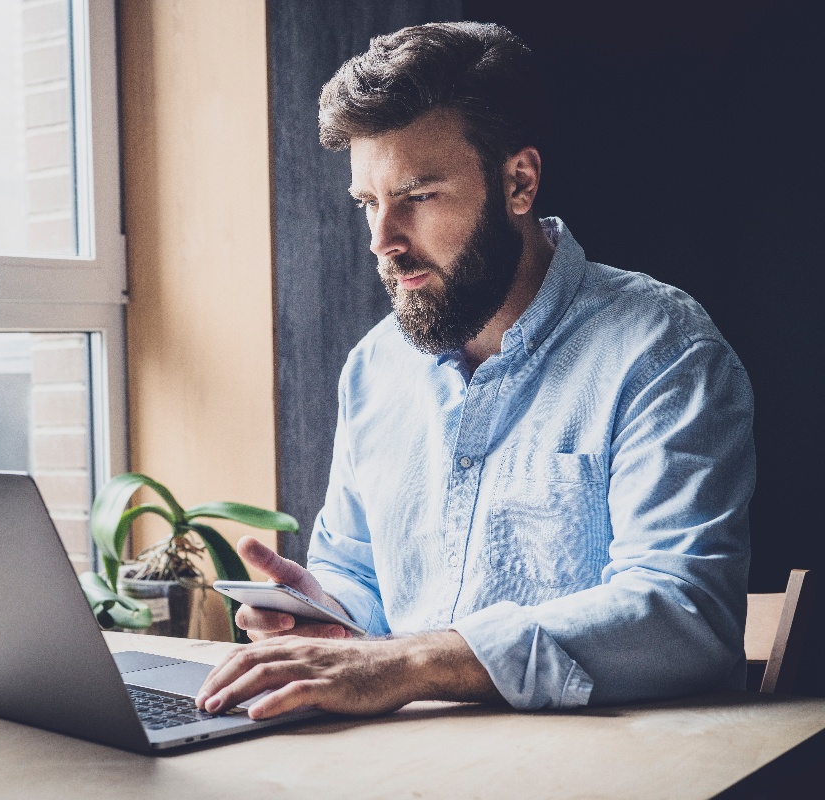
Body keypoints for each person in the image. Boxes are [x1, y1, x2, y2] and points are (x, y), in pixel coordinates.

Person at [195, 21, 754, 719]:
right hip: (411, 762)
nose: (382, 241)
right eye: (369, 203)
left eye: (418, 196)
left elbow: (682, 614)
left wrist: (407, 662)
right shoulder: (375, 366)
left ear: (519, 181)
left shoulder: (662, 350)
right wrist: (329, 619)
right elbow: (362, 578)